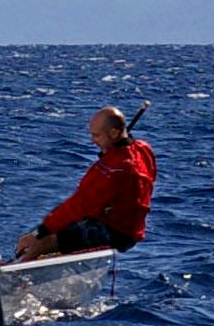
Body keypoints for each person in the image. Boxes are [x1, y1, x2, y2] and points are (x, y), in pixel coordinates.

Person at [15, 106, 156, 261]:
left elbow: (81, 204)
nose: (92, 140)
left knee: (44, 242)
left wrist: (39, 233)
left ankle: (14, 278)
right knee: (59, 230)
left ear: (114, 133)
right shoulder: (142, 149)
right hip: (121, 223)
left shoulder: (117, 170)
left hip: (116, 231)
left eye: (96, 136)